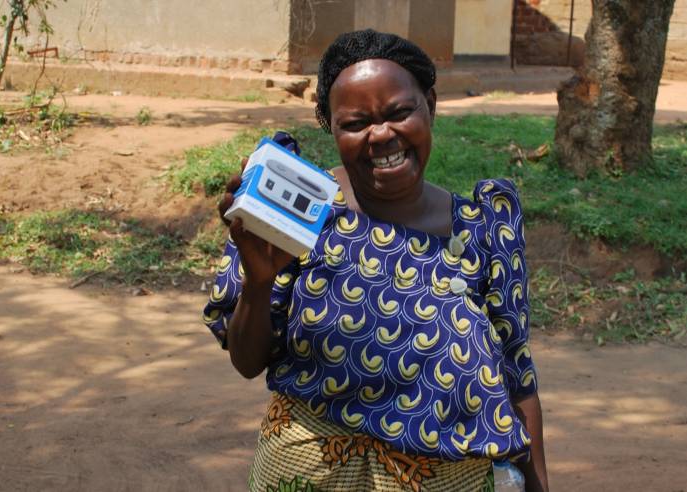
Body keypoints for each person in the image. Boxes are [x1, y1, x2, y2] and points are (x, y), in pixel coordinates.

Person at [204, 29, 549, 492]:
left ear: (430, 104)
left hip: (447, 478)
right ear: (328, 124)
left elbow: (517, 377)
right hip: (307, 472)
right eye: (355, 122)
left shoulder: (484, 227)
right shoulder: (298, 214)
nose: (382, 134)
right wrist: (259, 281)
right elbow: (247, 362)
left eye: (399, 112)